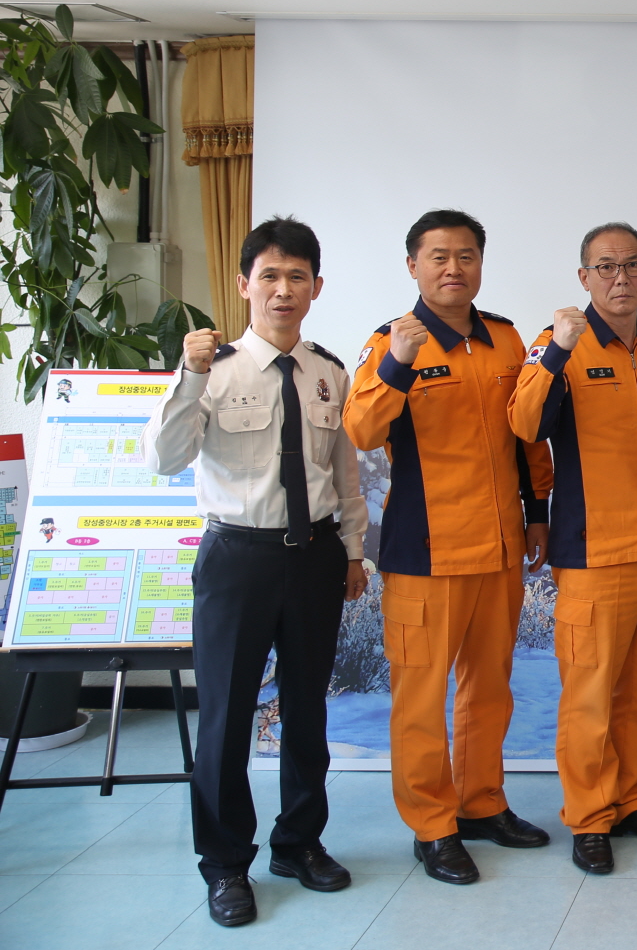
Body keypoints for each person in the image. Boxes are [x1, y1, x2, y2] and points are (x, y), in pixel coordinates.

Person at [140, 216, 369, 927]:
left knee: (306, 709)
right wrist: (188, 376)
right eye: (269, 275)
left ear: (316, 287)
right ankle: (224, 865)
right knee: (226, 716)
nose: (283, 289)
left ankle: (298, 844)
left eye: (297, 276)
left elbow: (344, 473)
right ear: (244, 285)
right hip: (237, 558)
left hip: (315, 556)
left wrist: (353, 551)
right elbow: (165, 458)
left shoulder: (329, 372)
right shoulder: (212, 369)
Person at [345, 209, 555, 885]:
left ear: (480, 264)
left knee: (488, 689)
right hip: (426, 549)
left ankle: (481, 802)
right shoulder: (390, 341)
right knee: (419, 698)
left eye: (466, 255)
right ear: (413, 265)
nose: (453, 268)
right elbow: (361, 429)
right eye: (438, 256)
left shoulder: (505, 338)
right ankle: (432, 825)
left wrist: (538, 513)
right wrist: (399, 364)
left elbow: (526, 436)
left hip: (499, 546)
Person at [508, 222, 637, 875]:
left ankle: (636, 799)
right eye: (606, 266)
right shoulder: (557, 342)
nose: (621, 278)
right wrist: (557, 352)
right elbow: (524, 423)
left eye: (632, 264)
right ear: (584, 276)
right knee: (589, 694)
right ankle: (590, 815)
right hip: (592, 551)